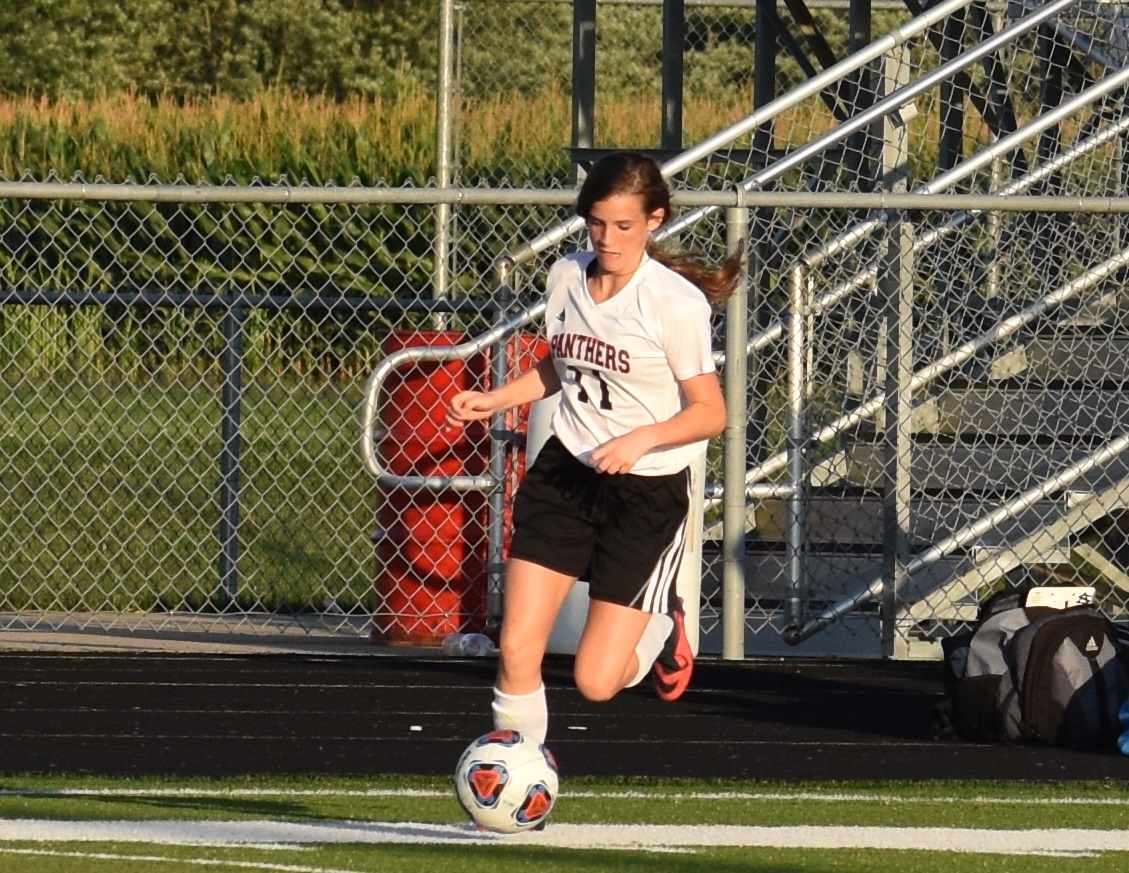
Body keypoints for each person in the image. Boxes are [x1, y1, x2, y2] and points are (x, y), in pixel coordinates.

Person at [445, 151, 743, 745]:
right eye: (597, 223)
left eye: (624, 225)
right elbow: (563, 366)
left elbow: (711, 414)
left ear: (655, 220)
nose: (608, 238)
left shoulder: (674, 304)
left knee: (596, 682)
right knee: (517, 649)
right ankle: (517, 773)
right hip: (566, 473)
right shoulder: (565, 277)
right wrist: (497, 399)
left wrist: (642, 439)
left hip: (646, 491)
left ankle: (662, 633)